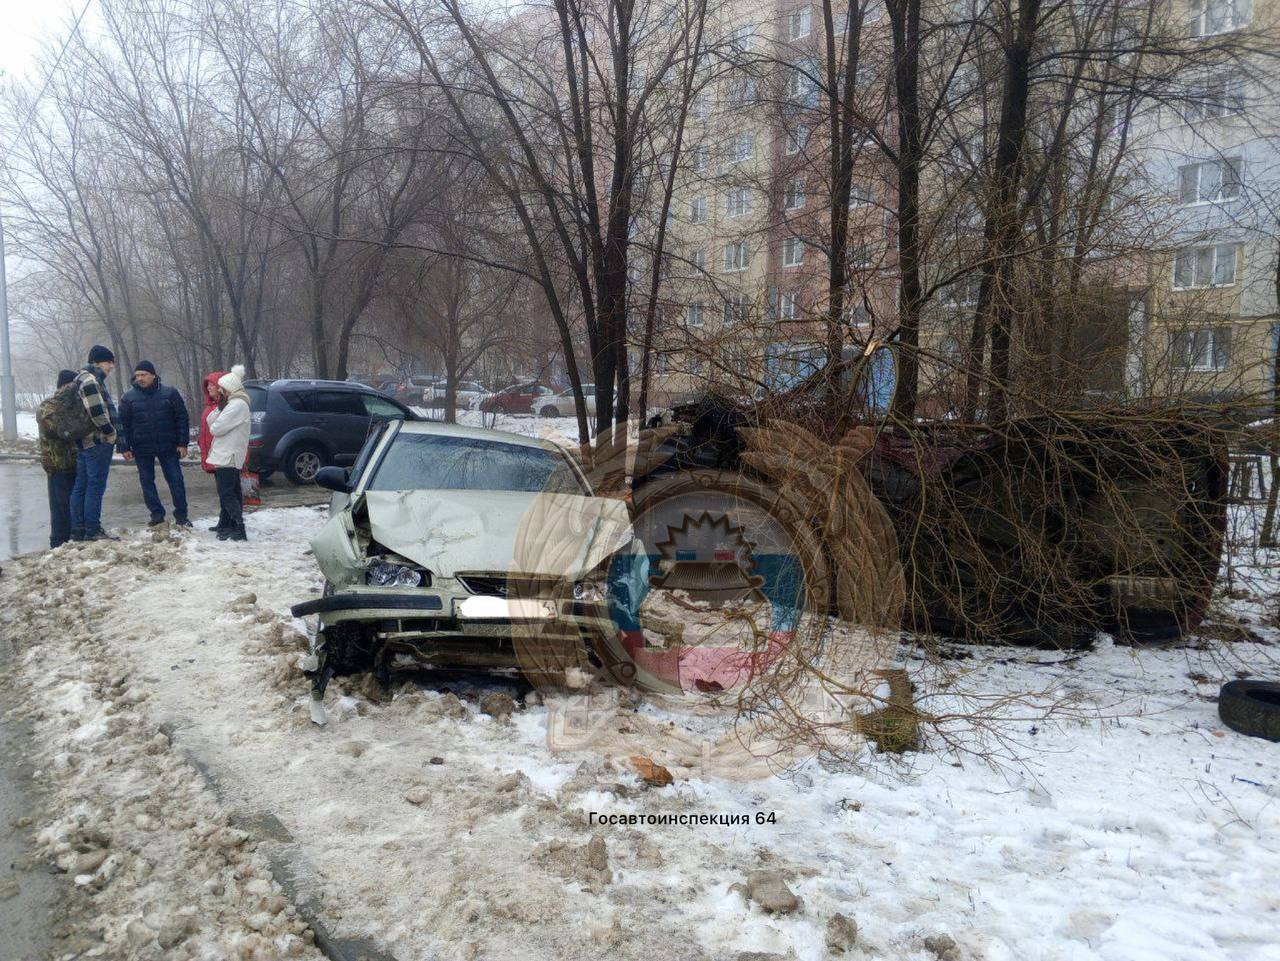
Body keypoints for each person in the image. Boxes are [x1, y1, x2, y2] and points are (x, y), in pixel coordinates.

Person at [118, 360, 192, 527]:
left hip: (168, 445)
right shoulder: (128, 397)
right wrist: (124, 447)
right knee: (146, 482)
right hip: (141, 447)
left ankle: (181, 516)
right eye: (137, 375)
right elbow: (122, 424)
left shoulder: (170, 393)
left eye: (143, 375)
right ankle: (157, 515)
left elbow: (181, 418)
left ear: (153, 375)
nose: (140, 378)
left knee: (176, 480)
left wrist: (183, 443)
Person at [69, 345, 121, 542]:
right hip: (96, 441)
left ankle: (78, 529)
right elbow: (97, 412)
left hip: (83, 441)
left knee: (81, 485)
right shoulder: (90, 380)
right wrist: (110, 432)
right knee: (95, 486)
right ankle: (92, 529)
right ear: (97, 362)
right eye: (109, 362)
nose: (111, 366)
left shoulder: (79, 378)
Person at [206, 365, 251, 541]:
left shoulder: (237, 405)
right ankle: (227, 523)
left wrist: (220, 411)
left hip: (228, 454)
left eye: (221, 389)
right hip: (228, 453)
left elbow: (216, 428)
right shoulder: (234, 403)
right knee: (232, 491)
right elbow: (214, 420)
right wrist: (220, 406)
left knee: (227, 492)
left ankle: (238, 526)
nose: (219, 391)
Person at [37, 369, 79, 548]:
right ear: (63, 386)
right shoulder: (48, 406)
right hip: (57, 464)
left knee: (73, 503)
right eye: (72, 386)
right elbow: (59, 430)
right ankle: (58, 542)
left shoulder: (73, 405)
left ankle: (73, 536)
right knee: (60, 506)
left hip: (75, 462)